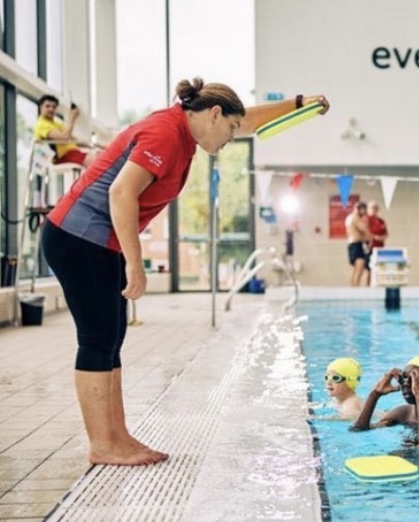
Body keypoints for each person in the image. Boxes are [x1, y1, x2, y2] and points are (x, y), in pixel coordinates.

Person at [40, 78, 329, 466]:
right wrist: (134, 261)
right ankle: (102, 444)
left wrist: (297, 103)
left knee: (111, 337)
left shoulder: (187, 128)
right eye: (228, 130)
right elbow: (120, 193)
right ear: (213, 114)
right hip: (78, 236)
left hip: (96, 240)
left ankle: (116, 436)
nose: (231, 140)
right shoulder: (165, 133)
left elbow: (247, 121)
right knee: (97, 337)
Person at [351, 352, 419, 444]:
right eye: (403, 379)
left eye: (415, 380)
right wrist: (374, 395)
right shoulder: (403, 413)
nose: (406, 385)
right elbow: (359, 430)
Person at [34, 95, 96, 167]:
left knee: (99, 156)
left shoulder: (56, 124)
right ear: (40, 107)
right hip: (61, 157)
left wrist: (92, 146)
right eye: (47, 106)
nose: (51, 109)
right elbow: (65, 137)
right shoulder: (41, 124)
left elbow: (72, 139)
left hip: (72, 153)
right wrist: (72, 117)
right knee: (94, 161)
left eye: (54, 107)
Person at [345, 201, 371, 286]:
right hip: (356, 244)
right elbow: (364, 229)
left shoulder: (349, 217)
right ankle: (355, 289)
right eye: (363, 210)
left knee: (357, 269)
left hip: (354, 244)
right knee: (359, 268)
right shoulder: (355, 218)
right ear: (359, 209)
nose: (364, 212)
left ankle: (354, 287)